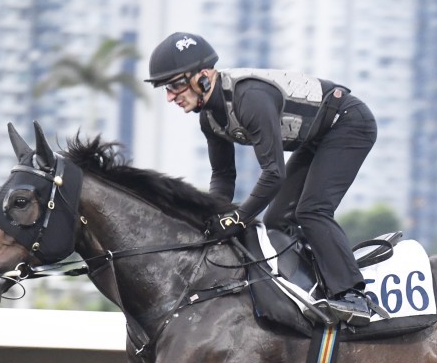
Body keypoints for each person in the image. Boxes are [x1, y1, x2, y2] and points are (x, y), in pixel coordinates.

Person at [144, 31, 377, 326]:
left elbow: (274, 174)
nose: (170, 97)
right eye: (166, 88)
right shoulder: (210, 119)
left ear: (203, 77)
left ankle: (353, 296)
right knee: (277, 221)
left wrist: (238, 218)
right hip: (318, 137)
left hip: (348, 124)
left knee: (312, 210)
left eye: (175, 85)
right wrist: (210, 216)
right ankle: (316, 284)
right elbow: (223, 176)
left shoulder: (248, 99)